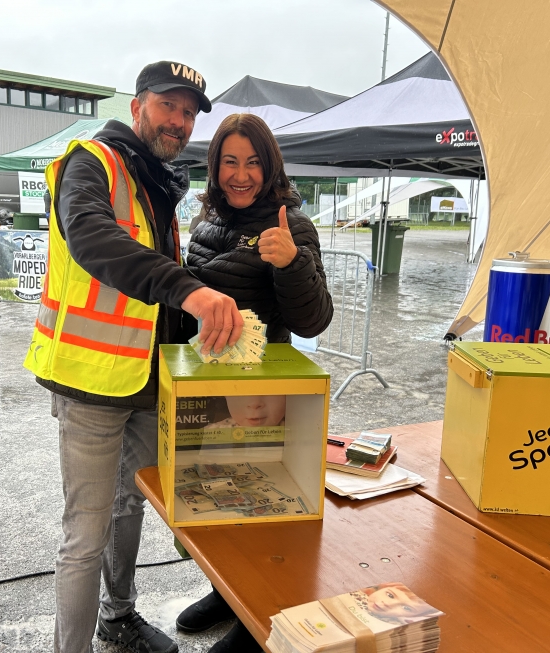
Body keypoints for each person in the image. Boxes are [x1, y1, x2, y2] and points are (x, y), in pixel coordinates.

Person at [23, 61, 244, 653]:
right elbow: (93, 236)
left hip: (145, 382)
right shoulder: (92, 162)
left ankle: (117, 616)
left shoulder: (160, 182)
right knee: (85, 534)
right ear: (138, 105)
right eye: (169, 106)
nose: (180, 120)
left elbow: (157, 290)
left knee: (131, 508)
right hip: (89, 380)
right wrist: (190, 290)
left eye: (190, 112)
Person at [178, 113, 333, 653]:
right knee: (215, 496)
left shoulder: (292, 225)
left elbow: (314, 321)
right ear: (215, 167)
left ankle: (258, 619)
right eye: (229, 162)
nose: (240, 175)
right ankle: (225, 591)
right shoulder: (205, 224)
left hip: (266, 395)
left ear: (270, 169)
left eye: (252, 163)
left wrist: (291, 263)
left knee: (263, 505)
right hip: (209, 387)